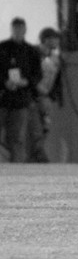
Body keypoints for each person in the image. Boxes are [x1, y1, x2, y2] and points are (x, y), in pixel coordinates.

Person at [0, 17, 42, 163]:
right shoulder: (2, 48)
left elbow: (37, 74)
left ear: (25, 30)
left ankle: (16, 167)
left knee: (17, 137)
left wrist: (26, 82)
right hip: (2, 97)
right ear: (12, 29)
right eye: (15, 29)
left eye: (20, 29)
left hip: (21, 100)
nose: (18, 32)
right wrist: (4, 83)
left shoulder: (31, 52)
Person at [26, 27, 63, 163]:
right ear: (46, 39)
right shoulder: (33, 54)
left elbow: (56, 80)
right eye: (55, 38)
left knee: (45, 128)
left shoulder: (55, 59)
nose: (57, 41)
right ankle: (37, 156)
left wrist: (52, 97)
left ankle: (36, 156)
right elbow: (30, 75)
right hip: (34, 98)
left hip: (46, 98)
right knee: (35, 129)